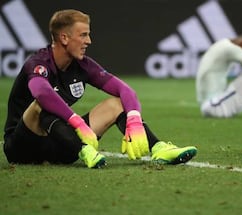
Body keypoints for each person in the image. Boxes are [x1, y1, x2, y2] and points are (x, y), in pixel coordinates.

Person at [3, 9, 197, 168]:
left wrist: (134, 120)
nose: (89, 41)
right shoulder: (38, 63)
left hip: (60, 146)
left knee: (117, 104)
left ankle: (158, 147)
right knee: (42, 104)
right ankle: (82, 148)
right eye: (83, 35)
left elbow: (125, 90)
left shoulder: (83, 65)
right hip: (22, 147)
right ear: (64, 38)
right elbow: (42, 93)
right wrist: (77, 123)